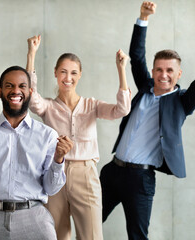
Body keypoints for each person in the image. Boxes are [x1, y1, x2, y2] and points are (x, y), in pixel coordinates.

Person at [100, 2, 195, 239]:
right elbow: (137, 55)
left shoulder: (182, 103)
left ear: (179, 74)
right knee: (86, 224)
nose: (164, 75)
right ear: (153, 72)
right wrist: (143, 17)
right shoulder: (145, 87)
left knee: (138, 236)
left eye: (170, 70)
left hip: (140, 179)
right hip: (112, 171)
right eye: (159, 69)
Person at [26, 36, 131, 240]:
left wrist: (121, 69)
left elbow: (122, 109)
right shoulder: (48, 106)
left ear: (80, 75)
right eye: (63, 72)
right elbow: (30, 97)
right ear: (55, 73)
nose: (68, 77)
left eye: (73, 72)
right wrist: (31, 54)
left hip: (85, 174)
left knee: (91, 236)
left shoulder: (92, 105)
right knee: (56, 235)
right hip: (54, 174)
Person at [0, 66, 74, 240]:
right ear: (0, 92)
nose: (16, 91)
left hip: (34, 218)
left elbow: (51, 188)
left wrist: (59, 159)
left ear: (30, 92)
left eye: (22, 86)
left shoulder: (47, 135)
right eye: (9, 86)